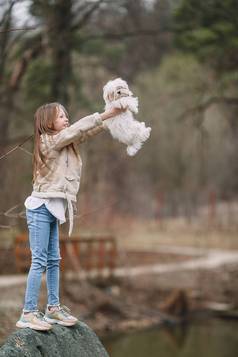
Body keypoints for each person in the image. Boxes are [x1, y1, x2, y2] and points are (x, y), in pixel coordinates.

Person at [16, 102, 124, 330]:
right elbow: (77, 129)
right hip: (39, 208)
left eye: (66, 115)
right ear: (47, 122)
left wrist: (111, 118)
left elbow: (84, 131)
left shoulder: (66, 142)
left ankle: (53, 308)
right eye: (61, 116)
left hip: (54, 209)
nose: (66, 118)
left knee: (55, 260)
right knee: (40, 261)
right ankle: (28, 312)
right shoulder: (48, 141)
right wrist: (105, 113)